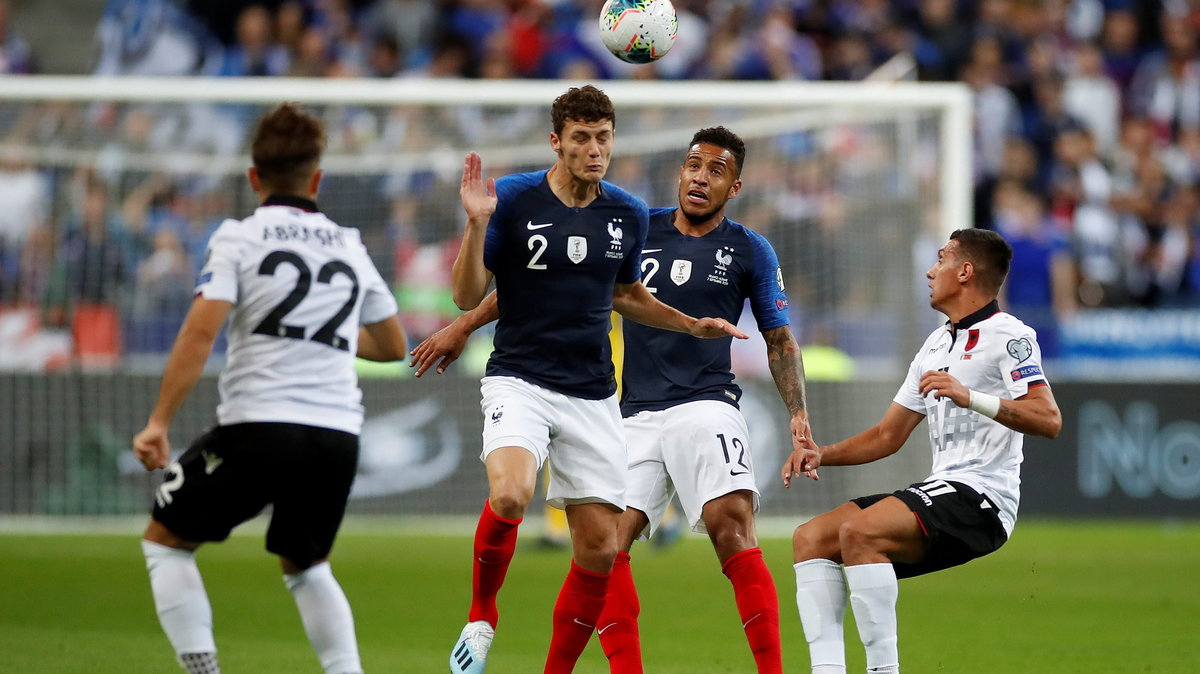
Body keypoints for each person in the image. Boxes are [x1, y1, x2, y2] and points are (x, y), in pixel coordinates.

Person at [414, 126, 811, 674]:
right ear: (680, 171)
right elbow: (541, 281)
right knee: (604, 547)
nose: (700, 177)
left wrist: (798, 416)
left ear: (734, 187)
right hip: (631, 413)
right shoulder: (631, 224)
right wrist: (465, 322)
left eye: (716, 170)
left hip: (706, 403)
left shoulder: (749, 248)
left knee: (730, 524)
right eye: (693, 165)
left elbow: (779, 339)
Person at [131, 103, 407, 674]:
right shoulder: (348, 243)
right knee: (306, 565)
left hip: (261, 426)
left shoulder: (238, 236)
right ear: (317, 179)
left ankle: (203, 671)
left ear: (253, 177)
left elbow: (200, 330)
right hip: (337, 435)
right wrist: (320, 333)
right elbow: (391, 345)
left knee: (164, 540)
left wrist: (158, 421)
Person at [781, 228, 1062, 674]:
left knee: (860, 531)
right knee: (811, 538)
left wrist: (971, 396)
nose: (931, 271)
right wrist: (822, 453)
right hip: (942, 488)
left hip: (985, 499)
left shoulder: (1010, 334)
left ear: (966, 271)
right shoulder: (934, 345)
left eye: (942, 259)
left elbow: (1049, 419)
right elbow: (887, 436)